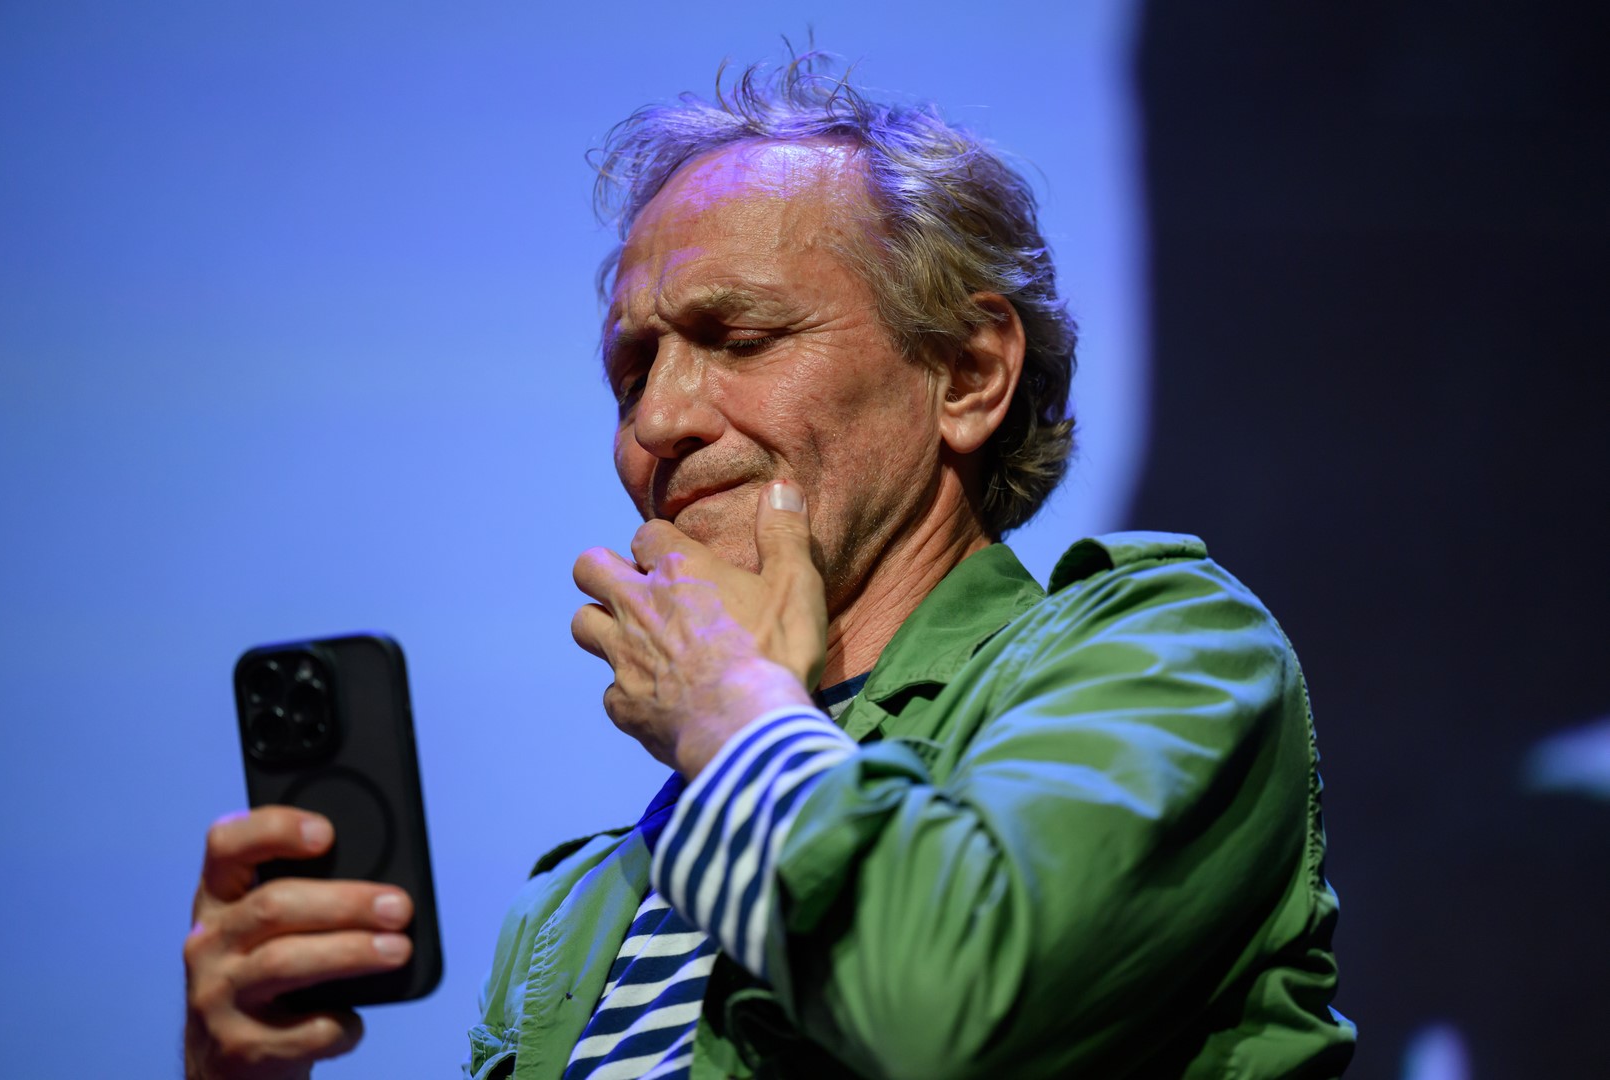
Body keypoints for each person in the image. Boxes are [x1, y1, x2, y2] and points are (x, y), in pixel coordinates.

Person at [183, 57, 1356, 1080]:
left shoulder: (1171, 648)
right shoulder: (576, 909)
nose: (659, 422)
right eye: (632, 374)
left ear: (968, 374)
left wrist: (730, 715)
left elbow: (951, 1019)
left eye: (738, 340)